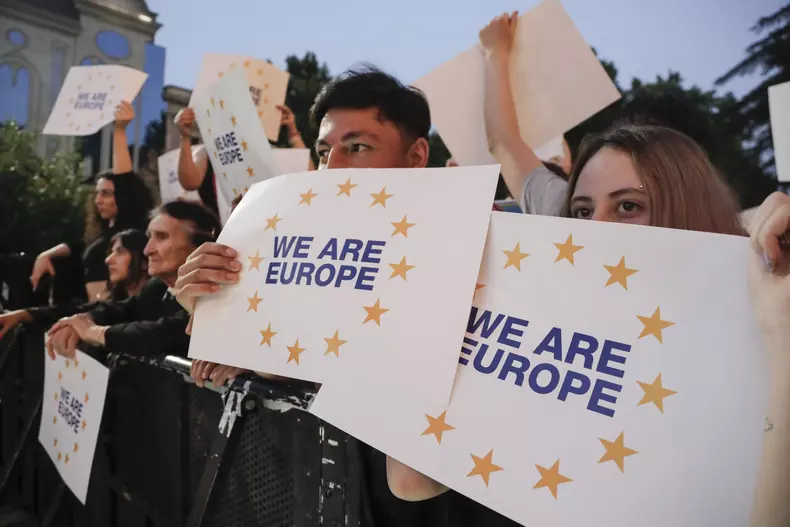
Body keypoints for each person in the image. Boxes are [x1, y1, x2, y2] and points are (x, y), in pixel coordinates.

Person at [387, 124, 790, 526]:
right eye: (582, 211)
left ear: (687, 206)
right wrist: (445, 292)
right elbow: (412, 477)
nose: (594, 228)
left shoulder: (764, 318)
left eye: (628, 207)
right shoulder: (548, 343)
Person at [39, 201, 220, 360]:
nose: (148, 250)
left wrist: (92, 332)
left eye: (162, 237)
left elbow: (165, 333)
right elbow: (121, 310)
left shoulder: (217, 293)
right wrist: (78, 321)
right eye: (150, 237)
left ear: (201, 244)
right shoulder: (156, 288)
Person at [30, 101, 154, 301]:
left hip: (109, 316)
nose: (98, 200)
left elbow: (124, 179)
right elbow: (79, 245)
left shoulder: (130, 229)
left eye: (106, 193)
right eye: (97, 193)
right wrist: (45, 255)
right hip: (91, 313)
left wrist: (120, 131)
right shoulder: (101, 234)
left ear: (123, 197)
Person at [481, 12, 569, 216]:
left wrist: (496, 50)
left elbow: (503, 141)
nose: (598, 216)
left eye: (627, 206)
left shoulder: (564, 208)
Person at [174, 103, 312, 217]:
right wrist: (185, 137)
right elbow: (190, 182)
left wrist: (293, 132)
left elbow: (310, 176)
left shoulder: (269, 152)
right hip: (221, 236)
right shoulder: (209, 151)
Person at [106, 229, 149, 301]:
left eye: (120, 252)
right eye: (111, 252)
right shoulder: (113, 307)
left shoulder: (159, 304)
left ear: (144, 263)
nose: (108, 260)